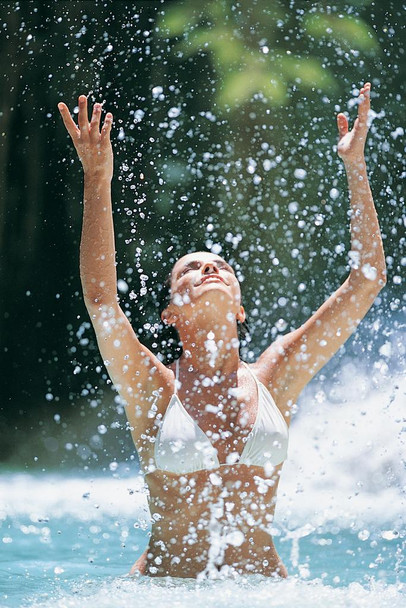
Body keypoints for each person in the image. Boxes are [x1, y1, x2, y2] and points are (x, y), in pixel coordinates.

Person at [58, 82, 386, 579]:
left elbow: (365, 282)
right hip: (165, 592)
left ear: (239, 309)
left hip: (263, 591)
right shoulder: (153, 386)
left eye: (221, 267)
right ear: (171, 312)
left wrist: (355, 167)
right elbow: (103, 303)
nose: (210, 269)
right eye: (192, 268)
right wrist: (97, 177)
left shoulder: (276, 374)